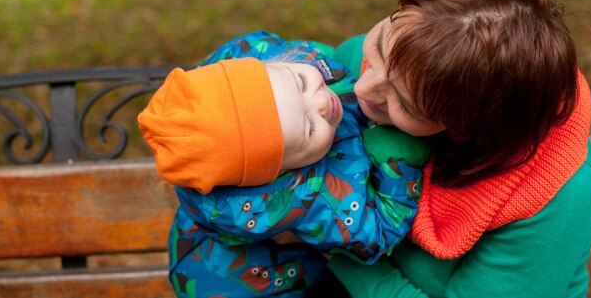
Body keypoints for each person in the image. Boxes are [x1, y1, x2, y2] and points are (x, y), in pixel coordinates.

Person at [309, 0, 591, 297]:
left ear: (466, 128)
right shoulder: (390, 60)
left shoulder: (557, 196)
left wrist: (332, 244)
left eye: (404, 104)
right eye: (378, 47)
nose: (363, 88)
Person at [138, 31, 431, 298]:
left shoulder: (261, 62)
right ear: (282, 171)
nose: (320, 103)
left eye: (301, 82)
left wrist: (326, 66)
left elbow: (299, 57)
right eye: (309, 128)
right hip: (242, 286)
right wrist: (399, 162)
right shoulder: (313, 197)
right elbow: (376, 236)